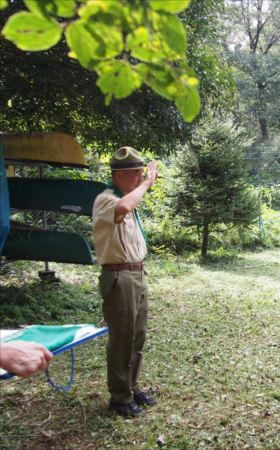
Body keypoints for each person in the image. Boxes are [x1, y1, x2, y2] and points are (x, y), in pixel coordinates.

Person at [92, 146, 158, 418]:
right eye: (135, 174)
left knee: (137, 336)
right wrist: (145, 184)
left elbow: (130, 203)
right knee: (122, 338)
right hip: (119, 276)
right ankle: (119, 397)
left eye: (141, 173)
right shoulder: (107, 200)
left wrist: (141, 184)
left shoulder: (127, 196)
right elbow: (124, 207)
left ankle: (131, 387)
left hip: (136, 274)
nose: (140, 179)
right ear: (118, 176)